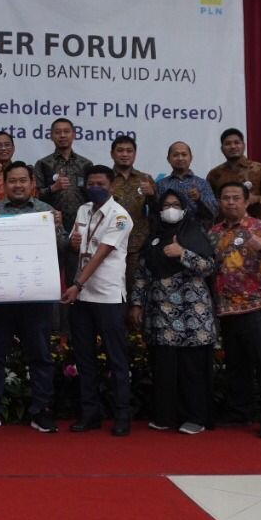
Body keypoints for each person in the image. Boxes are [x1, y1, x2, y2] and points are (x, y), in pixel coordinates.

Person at [0, 161, 67, 432]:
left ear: (32, 184)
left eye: (22, 181)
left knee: (40, 355)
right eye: (12, 181)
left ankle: (41, 410)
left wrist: (56, 228)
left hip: (35, 297)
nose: (18, 185)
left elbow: (63, 249)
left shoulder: (46, 212)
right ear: (4, 184)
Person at [130, 186, 217, 435]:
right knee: (164, 368)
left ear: (185, 210)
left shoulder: (195, 234)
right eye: (166, 206)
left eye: (176, 206)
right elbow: (142, 273)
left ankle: (195, 418)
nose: (171, 210)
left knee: (191, 369)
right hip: (161, 315)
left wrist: (183, 253)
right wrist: (136, 303)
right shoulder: (154, 238)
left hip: (192, 315)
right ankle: (166, 416)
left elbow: (209, 266)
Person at [209, 181, 261, 439]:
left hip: (258, 307)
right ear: (220, 202)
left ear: (246, 202)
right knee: (236, 365)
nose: (231, 202)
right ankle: (238, 411)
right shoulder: (214, 232)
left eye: (236, 198)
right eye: (226, 198)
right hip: (227, 309)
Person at [63, 165, 133, 436]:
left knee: (116, 359)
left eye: (100, 184)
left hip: (108, 296)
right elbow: (76, 244)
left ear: (111, 186)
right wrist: (73, 243)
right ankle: (90, 413)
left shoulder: (120, 216)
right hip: (82, 296)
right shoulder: (83, 210)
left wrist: (77, 284)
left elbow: (101, 253)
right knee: (84, 357)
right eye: (90, 183)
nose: (95, 188)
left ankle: (122, 415)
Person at [34, 117, 92, 282]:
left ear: (73, 134)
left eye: (66, 131)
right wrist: (53, 188)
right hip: (53, 225)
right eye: (58, 132)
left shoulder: (86, 164)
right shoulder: (43, 164)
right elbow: (34, 196)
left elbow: (91, 196)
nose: (62, 135)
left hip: (79, 224)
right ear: (51, 136)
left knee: (76, 273)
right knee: (51, 273)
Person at [107, 135, 157, 293]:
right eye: (120, 150)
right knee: (112, 288)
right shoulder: (105, 178)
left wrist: (152, 196)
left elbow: (157, 211)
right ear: (112, 154)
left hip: (138, 244)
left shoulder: (145, 179)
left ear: (135, 154)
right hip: (110, 243)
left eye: (129, 151)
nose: (125, 154)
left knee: (135, 288)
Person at [206, 128, 261, 222]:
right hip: (225, 227)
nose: (233, 146)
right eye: (228, 144)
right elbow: (209, 204)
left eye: (236, 143)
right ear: (222, 149)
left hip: (254, 227)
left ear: (243, 145)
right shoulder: (214, 174)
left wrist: (256, 199)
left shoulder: (259, 169)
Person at [156, 141, 217, 222]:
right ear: (168, 159)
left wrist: (199, 199)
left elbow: (213, 212)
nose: (180, 158)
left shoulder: (202, 183)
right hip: (168, 229)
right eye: (175, 155)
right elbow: (155, 212)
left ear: (191, 158)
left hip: (196, 228)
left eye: (184, 155)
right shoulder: (161, 184)